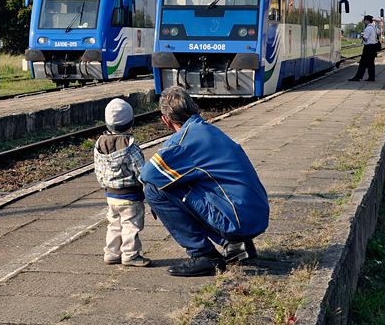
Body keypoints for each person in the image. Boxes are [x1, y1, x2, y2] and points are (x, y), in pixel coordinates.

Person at [141, 86, 270, 277]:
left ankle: (203, 255)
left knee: (154, 190)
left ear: (165, 120)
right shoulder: (212, 131)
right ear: (196, 107)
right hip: (257, 214)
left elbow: (148, 174)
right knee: (186, 181)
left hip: (237, 221)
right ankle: (235, 245)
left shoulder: (182, 141)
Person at [94, 98, 150, 267]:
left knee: (114, 224)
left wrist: (105, 185)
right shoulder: (131, 147)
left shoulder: (99, 144)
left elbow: (98, 169)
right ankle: (130, 255)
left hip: (111, 194)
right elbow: (142, 171)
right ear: (131, 124)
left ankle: (111, 253)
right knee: (131, 225)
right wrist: (149, 188)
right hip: (131, 195)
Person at [349, 14, 379, 82]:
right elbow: (379, 32)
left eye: (365, 21)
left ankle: (358, 77)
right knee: (371, 63)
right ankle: (371, 77)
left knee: (363, 63)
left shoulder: (368, 28)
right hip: (373, 47)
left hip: (368, 47)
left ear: (367, 21)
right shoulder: (374, 27)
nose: (364, 22)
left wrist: (362, 36)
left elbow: (365, 38)